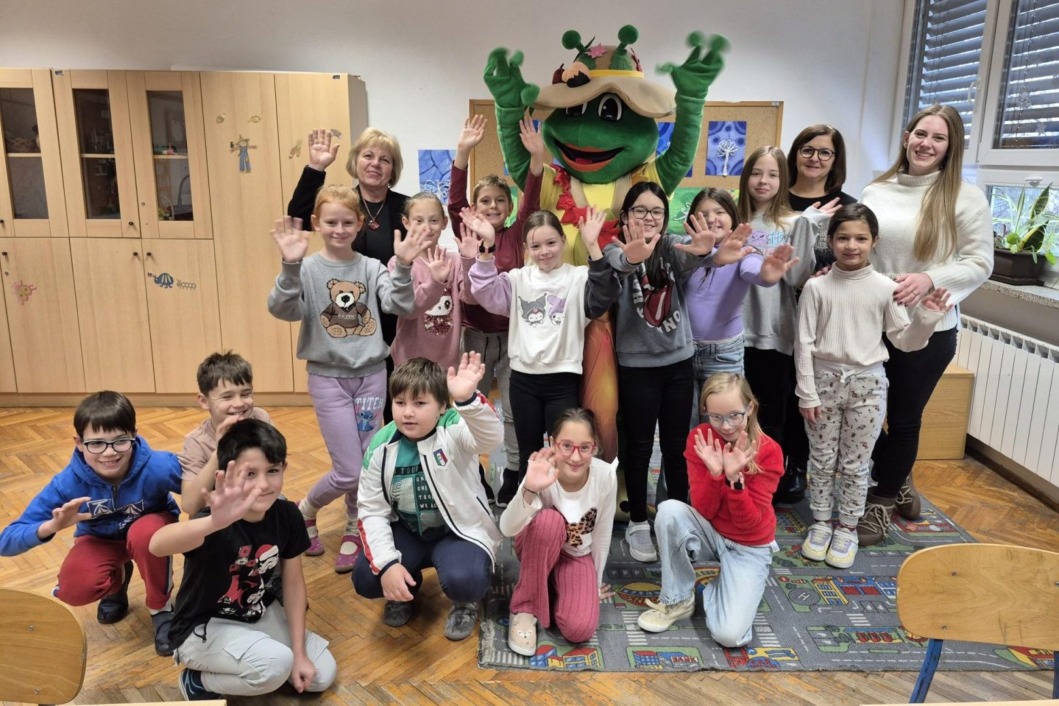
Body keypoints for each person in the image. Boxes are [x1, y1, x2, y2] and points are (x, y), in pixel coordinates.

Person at [267, 185, 431, 573]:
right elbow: (282, 310)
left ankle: (355, 523)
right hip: (328, 380)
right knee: (348, 469)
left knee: (367, 461)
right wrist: (289, 266)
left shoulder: (371, 268)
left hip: (372, 378)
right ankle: (306, 509)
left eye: (346, 222)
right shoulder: (307, 269)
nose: (339, 229)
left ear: (359, 224)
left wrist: (403, 265)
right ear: (316, 224)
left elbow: (401, 304)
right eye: (330, 222)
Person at [858, 104, 993, 545]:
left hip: (929, 327)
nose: (926, 144)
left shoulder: (965, 196)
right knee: (859, 411)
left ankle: (881, 501)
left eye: (938, 138)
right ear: (906, 137)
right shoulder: (876, 190)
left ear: (950, 147)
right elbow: (859, 246)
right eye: (920, 133)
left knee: (903, 419)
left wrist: (929, 278)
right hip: (874, 322)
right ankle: (898, 474)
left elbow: (980, 262)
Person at [795, 203, 952, 568]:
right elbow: (802, 344)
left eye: (861, 238)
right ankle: (821, 523)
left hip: (867, 386)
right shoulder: (816, 287)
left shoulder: (885, 288)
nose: (851, 246)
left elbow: (904, 342)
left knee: (856, 463)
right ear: (830, 240)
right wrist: (806, 392)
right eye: (843, 238)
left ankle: (848, 527)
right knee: (821, 460)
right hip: (823, 383)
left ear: (874, 241)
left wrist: (925, 319)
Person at [604, 181, 749, 563]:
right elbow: (614, 271)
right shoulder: (613, 248)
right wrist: (632, 259)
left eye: (656, 211)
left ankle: (678, 519)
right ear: (625, 216)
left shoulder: (671, 245)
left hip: (678, 362)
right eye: (640, 210)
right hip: (636, 366)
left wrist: (707, 254)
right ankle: (638, 521)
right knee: (638, 447)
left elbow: (691, 256)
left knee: (677, 446)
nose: (649, 218)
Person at [464, 208, 641, 507]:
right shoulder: (518, 278)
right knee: (529, 453)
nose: (544, 251)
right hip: (523, 381)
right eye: (535, 246)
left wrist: (593, 246)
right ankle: (528, 515)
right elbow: (485, 291)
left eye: (551, 243)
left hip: (563, 381)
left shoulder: (578, 277)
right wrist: (487, 247)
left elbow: (603, 297)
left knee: (564, 451)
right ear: (526, 248)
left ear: (562, 241)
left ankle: (563, 511)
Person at [151, 419, 337, 700]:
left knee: (320, 674)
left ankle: (266, 659)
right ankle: (198, 681)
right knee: (275, 665)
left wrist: (300, 653)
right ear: (226, 475)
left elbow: (294, 584)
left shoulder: (288, 515)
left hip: (257, 613)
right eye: (250, 474)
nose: (263, 484)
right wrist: (212, 523)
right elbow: (157, 545)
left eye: (272, 471)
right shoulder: (213, 520)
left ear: (284, 468)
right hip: (203, 627)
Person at [0, 391, 182, 656]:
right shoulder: (67, 483)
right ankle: (117, 581)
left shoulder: (159, 465)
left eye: (120, 441)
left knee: (146, 534)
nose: (109, 452)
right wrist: (51, 526)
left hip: (149, 532)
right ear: (78, 442)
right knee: (74, 590)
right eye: (96, 443)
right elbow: (6, 541)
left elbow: (204, 488)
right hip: (100, 540)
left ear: (134, 435)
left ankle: (161, 608)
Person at [352, 354, 503, 641]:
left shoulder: (453, 426)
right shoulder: (381, 445)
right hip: (409, 532)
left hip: (456, 532)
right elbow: (371, 510)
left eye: (420, 403)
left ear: (442, 406)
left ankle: (466, 603)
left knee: (466, 581)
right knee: (367, 578)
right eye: (400, 403)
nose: (408, 413)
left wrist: (467, 400)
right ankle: (405, 588)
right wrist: (388, 564)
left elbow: (490, 438)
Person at [636, 373, 782, 647]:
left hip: (749, 545)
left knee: (730, 636)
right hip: (712, 530)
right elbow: (704, 509)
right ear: (705, 411)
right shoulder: (701, 438)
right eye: (716, 417)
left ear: (750, 407)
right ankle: (678, 599)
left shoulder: (769, 451)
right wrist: (716, 475)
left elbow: (749, 523)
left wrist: (734, 480)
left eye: (734, 416)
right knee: (668, 511)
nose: (725, 426)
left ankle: (719, 588)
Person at [448, 115, 545, 507]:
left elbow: (532, 200)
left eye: (499, 200)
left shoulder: (517, 234)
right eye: (485, 200)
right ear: (475, 208)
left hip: (513, 337)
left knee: (512, 410)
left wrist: (536, 159)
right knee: (470, 406)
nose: (492, 206)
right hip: (474, 337)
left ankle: (514, 471)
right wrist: (463, 152)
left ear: (509, 207)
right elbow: (455, 203)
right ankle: (472, 471)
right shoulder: (468, 232)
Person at [288, 127, 410, 423]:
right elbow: (297, 217)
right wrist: (316, 168)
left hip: (394, 315)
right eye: (368, 156)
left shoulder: (405, 206)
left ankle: (390, 448)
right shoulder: (344, 204)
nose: (375, 164)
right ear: (355, 160)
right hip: (347, 322)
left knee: (394, 401)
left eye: (385, 159)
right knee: (351, 415)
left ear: (393, 169)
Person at [738, 146, 830, 506]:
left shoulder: (793, 223)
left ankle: (766, 485)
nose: (764, 181)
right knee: (732, 412)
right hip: (731, 334)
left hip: (773, 334)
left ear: (783, 180)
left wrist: (807, 226)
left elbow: (798, 277)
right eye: (757, 173)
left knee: (770, 415)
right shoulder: (733, 220)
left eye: (773, 174)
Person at [498, 408, 617, 654]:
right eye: (567, 446)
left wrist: (594, 583)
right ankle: (525, 607)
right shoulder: (543, 470)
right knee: (550, 522)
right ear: (553, 443)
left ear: (594, 447)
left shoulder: (605, 475)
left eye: (585, 447)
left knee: (580, 629)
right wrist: (529, 488)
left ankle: (547, 585)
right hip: (537, 543)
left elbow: (602, 533)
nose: (575, 457)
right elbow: (507, 528)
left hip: (575, 554)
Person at [682, 188, 797, 418]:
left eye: (719, 212)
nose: (712, 219)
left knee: (724, 420)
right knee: (685, 421)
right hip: (682, 351)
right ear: (692, 219)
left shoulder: (743, 251)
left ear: (732, 217)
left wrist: (766, 275)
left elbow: (753, 271)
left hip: (723, 354)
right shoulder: (684, 247)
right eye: (704, 213)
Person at [180, 351, 272, 512]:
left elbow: (274, 470)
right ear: (204, 401)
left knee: (284, 508)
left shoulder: (261, 418)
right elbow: (190, 506)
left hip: (258, 499)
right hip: (219, 511)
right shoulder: (196, 442)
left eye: (246, 394)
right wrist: (219, 451)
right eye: (227, 397)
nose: (239, 403)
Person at [388, 191, 464, 372]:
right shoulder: (399, 263)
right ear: (406, 222)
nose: (427, 227)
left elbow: (471, 298)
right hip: (409, 365)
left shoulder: (455, 261)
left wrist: (470, 260)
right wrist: (436, 282)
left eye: (434, 220)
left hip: (447, 364)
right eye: (419, 220)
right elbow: (409, 310)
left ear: (444, 222)